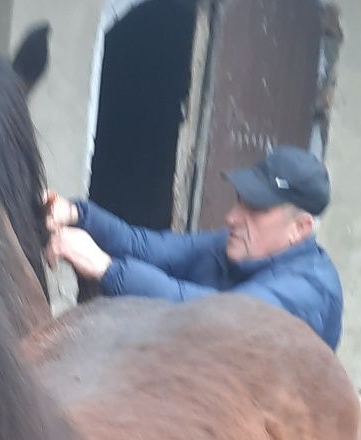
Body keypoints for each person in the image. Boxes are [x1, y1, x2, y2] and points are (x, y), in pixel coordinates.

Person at [45, 145, 343, 349]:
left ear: (300, 228)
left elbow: (215, 316)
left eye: (256, 208)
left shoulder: (310, 290)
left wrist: (105, 268)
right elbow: (148, 247)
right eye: (240, 200)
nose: (232, 217)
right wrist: (78, 214)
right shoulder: (230, 248)